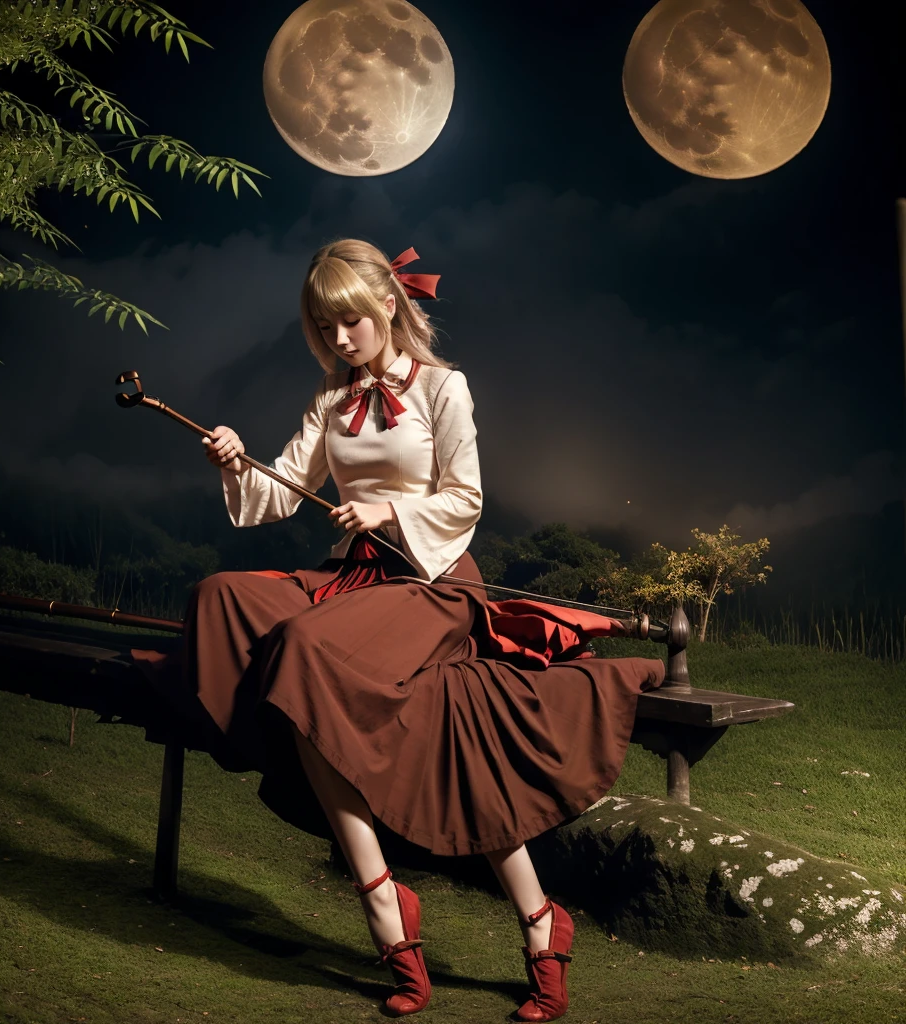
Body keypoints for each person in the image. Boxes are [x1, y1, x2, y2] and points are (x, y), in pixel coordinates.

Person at [182, 238, 664, 1021]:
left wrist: (387, 512)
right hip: (353, 583)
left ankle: (391, 905)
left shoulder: (444, 388)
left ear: (388, 307)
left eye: (351, 323)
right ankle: (405, 897)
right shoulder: (331, 399)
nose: (340, 341)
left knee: (304, 653)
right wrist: (236, 464)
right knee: (224, 599)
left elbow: (466, 498)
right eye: (324, 328)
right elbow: (282, 489)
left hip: (429, 585)